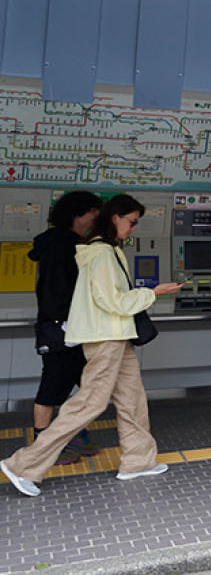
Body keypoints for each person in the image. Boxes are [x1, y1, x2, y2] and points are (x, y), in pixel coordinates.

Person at [2, 194, 183, 497]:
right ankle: (23, 466)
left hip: (116, 334)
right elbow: (109, 300)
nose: (134, 228)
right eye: (131, 221)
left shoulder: (107, 251)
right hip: (106, 336)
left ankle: (138, 462)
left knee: (132, 399)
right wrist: (154, 292)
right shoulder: (100, 253)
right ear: (115, 217)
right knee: (90, 403)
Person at [28, 190, 103, 465]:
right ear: (79, 214)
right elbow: (59, 293)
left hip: (72, 328)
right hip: (62, 329)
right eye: (95, 211)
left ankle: (73, 433)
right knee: (52, 388)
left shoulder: (69, 243)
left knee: (86, 385)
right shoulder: (64, 246)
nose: (98, 217)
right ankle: (43, 447)